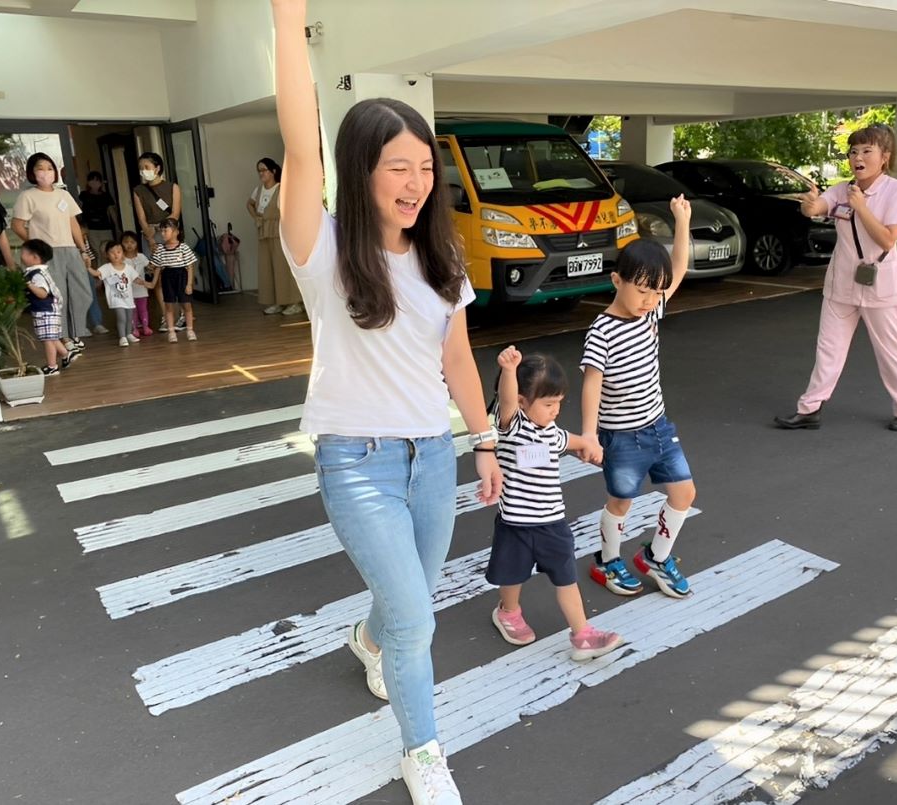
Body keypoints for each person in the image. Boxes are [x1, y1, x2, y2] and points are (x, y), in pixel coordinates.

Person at [271, 2, 502, 802]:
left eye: (425, 166)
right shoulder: (325, 248)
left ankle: (366, 639)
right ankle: (425, 751)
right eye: (398, 165)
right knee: (418, 619)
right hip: (356, 465)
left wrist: (487, 441)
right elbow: (301, 145)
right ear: (362, 170)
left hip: (431, 459)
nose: (417, 181)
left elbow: (458, 362)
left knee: (405, 605)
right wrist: (288, 18)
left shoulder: (441, 260)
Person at [580, 196, 697, 599]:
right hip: (621, 436)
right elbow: (592, 382)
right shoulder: (602, 330)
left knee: (684, 493)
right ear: (618, 281)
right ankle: (607, 560)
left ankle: (655, 556)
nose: (651, 300)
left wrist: (682, 221)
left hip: (658, 427)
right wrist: (589, 435)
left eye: (656, 293)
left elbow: (678, 269)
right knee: (621, 502)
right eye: (643, 291)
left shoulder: (650, 311)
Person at [774, 124, 897, 432]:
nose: (858, 157)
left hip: (880, 284)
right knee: (828, 346)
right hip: (841, 283)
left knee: (889, 347)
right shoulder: (842, 189)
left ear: (885, 157)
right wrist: (810, 205)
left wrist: (862, 208)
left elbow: (887, 240)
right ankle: (809, 408)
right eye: (854, 151)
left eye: (867, 151)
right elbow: (818, 207)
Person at [487, 345, 624, 660]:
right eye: (548, 404)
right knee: (512, 574)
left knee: (567, 577)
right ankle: (508, 612)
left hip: (553, 522)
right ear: (523, 402)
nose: (555, 410)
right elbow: (507, 402)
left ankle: (583, 634)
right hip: (516, 524)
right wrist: (509, 371)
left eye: (559, 403)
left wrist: (589, 447)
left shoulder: (550, 431)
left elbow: (570, 440)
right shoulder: (512, 426)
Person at [11, 153, 94, 357]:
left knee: (82, 292)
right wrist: (37, 246)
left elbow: (73, 223)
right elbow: (17, 225)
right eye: (41, 168)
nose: (46, 172)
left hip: (70, 249)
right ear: (32, 172)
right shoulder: (28, 196)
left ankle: (76, 332)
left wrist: (83, 250)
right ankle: (64, 337)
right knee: (58, 297)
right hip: (49, 253)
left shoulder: (63, 195)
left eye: (49, 167)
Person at [246, 157, 303, 315]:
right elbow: (249, 204)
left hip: (279, 233)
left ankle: (294, 302)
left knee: (282, 267)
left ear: (273, 171)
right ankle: (277, 301)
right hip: (264, 233)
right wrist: (256, 217)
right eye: (259, 171)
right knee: (268, 268)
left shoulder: (281, 189)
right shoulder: (258, 190)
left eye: (264, 170)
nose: (261, 173)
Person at [133, 151, 182, 326]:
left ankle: (181, 313)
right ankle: (167, 316)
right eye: (141, 168)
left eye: (147, 167)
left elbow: (175, 213)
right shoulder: (139, 190)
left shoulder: (172, 187)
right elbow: (141, 218)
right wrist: (150, 237)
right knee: (158, 279)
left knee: (174, 276)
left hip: (170, 234)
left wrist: (165, 234)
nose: (143, 171)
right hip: (150, 235)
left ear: (157, 168)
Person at [20, 238, 77, 375]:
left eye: (23, 253)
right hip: (47, 310)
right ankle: (65, 354)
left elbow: (42, 293)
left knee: (47, 339)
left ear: (34, 257)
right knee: (50, 337)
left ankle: (52, 366)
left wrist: (28, 284)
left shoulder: (37, 275)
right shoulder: (35, 272)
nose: (21, 256)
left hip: (46, 310)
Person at [86, 241, 154, 347]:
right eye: (112, 252)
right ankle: (122, 337)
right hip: (116, 299)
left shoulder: (128, 267)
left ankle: (129, 334)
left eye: (118, 252)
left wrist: (146, 284)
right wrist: (88, 267)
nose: (116, 254)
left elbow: (136, 279)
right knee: (121, 317)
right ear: (107, 255)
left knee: (129, 317)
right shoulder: (107, 268)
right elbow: (96, 273)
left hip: (128, 299)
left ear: (122, 253)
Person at [148, 218, 198, 342]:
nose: (163, 234)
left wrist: (189, 284)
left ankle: (190, 329)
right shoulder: (160, 249)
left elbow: (190, 266)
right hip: (167, 276)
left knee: (186, 304)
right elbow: (155, 265)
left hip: (182, 275)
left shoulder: (184, 247)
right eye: (161, 231)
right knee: (168, 305)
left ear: (176, 232)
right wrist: (148, 266)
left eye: (166, 230)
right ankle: (171, 331)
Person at [78, 171, 118, 265]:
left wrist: (117, 226)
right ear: (88, 182)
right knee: (96, 252)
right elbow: (78, 211)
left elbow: (112, 211)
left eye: (97, 180)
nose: (94, 183)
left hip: (105, 227)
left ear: (101, 183)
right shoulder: (84, 195)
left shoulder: (106, 196)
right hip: (91, 228)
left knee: (108, 250)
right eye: (92, 180)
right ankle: (101, 273)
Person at [121, 231, 153, 337]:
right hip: (128, 290)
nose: (129, 245)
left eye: (132, 242)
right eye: (126, 242)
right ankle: (134, 328)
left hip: (141, 289)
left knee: (143, 309)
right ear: (121, 243)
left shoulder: (141, 257)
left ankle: (145, 327)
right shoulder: (121, 259)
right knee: (132, 310)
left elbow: (150, 267)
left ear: (137, 244)